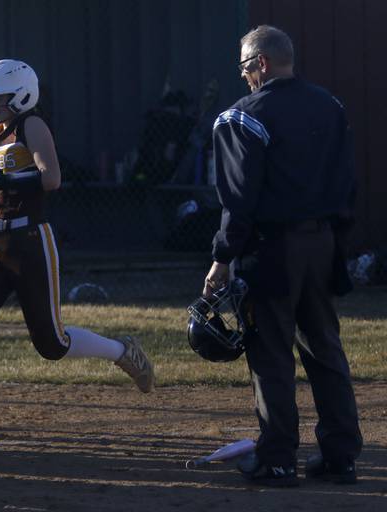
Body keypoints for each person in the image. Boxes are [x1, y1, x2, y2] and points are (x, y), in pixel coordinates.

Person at [0, 60, 154, 456]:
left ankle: (122, 350)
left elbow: (52, 178)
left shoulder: (31, 125)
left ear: (21, 95)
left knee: (52, 343)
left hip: (30, 240)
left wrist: (6, 179)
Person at [202, 25, 361, 487]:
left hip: (271, 249)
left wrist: (222, 257)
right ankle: (341, 456)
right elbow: (347, 183)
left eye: (245, 68)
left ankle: (276, 459)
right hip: (322, 242)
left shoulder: (241, 117)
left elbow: (239, 201)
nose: (245, 78)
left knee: (270, 352)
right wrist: (336, 240)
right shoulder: (330, 106)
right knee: (324, 348)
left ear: (262, 64)